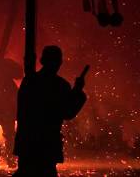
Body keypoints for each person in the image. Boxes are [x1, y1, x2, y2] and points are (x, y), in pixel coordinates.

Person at [13, 45, 87, 176]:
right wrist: (77, 90)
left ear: (42, 61)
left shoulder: (29, 81)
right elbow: (68, 112)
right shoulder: (60, 85)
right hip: (47, 144)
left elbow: (20, 111)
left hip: (27, 142)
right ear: (59, 62)